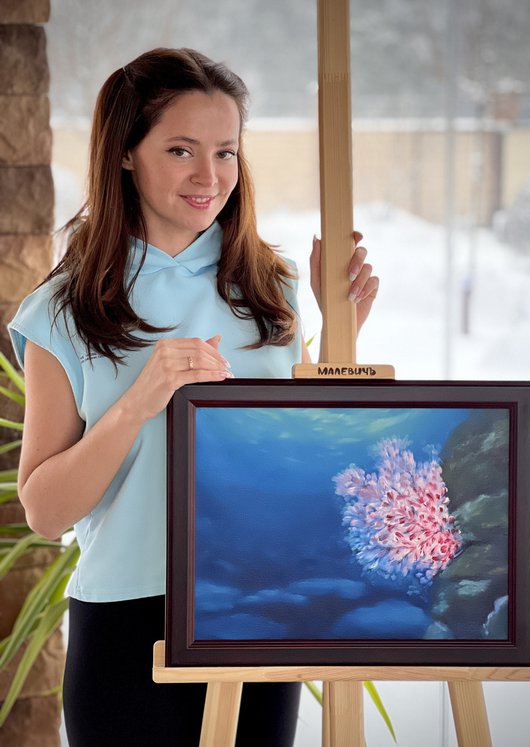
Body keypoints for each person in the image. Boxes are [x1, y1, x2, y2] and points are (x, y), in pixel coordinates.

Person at [8, 48, 378, 746]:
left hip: (259, 612)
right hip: (126, 623)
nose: (210, 177)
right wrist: (137, 401)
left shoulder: (274, 288)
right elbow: (44, 510)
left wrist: (340, 340)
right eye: (181, 149)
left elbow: (306, 462)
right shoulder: (63, 309)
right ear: (124, 152)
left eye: (226, 152)